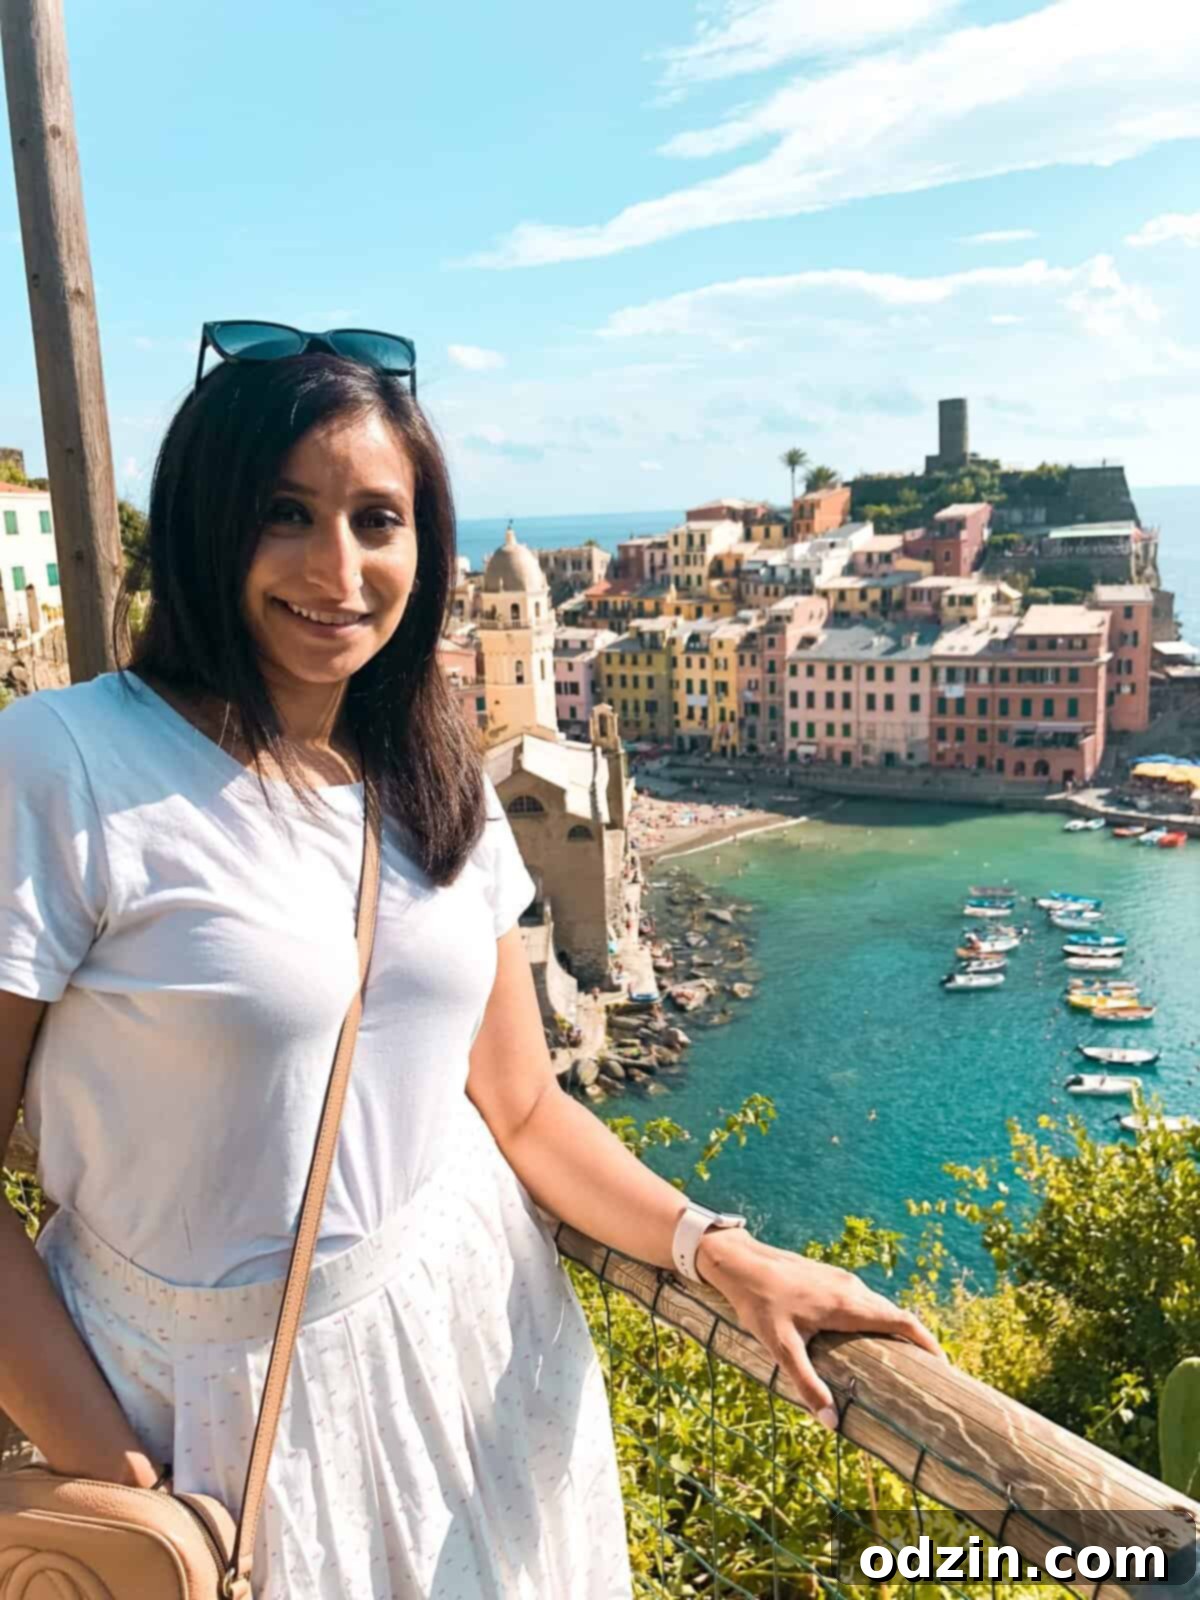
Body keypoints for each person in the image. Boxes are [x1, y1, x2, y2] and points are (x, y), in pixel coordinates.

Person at [0, 329, 941, 1600]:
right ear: (203, 520)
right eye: (286, 513)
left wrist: (718, 1250)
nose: (339, 568)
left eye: (378, 519)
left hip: (478, 1347)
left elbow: (524, 1105)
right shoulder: (61, 764)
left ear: (423, 551)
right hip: (199, 1416)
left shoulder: (432, 773)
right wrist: (124, 1486)